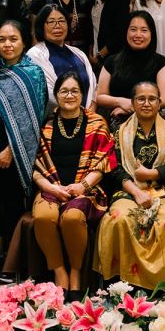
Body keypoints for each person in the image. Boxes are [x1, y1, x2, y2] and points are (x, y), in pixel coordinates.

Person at [95, 81, 165, 289]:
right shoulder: (119, 132)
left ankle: (163, 286)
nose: (146, 103)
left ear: (159, 103)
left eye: (152, 99)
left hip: (164, 191)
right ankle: (124, 286)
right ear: (132, 102)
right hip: (129, 191)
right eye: (141, 99)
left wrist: (152, 174)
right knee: (118, 220)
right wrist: (137, 192)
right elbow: (115, 168)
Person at [31, 72, 116, 297]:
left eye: (75, 91)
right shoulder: (46, 124)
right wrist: (50, 188)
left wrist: (82, 186)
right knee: (42, 217)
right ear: (56, 95)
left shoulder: (97, 123)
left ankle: (76, 272)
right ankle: (59, 271)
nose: (69, 95)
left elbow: (104, 161)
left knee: (71, 217)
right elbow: (34, 166)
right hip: (51, 186)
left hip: (85, 189)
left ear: (83, 94)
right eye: (64, 91)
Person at [0, 20, 46, 282]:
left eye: (13, 39)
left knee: (13, 205)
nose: (7, 44)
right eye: (2, 39)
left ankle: (13, 259)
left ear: (24, 42)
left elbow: (34, 120)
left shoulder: (33, 74)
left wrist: (11, 151)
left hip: (16, 155)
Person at [96, 10, 165, 123]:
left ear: (152, 34)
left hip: (150, 124)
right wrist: (122, 102)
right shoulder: (111, 61)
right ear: (126, 32)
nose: (138, 35)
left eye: (144, 30)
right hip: (115, 123)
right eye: (133, 29)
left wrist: (133, 108)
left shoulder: (162, 64)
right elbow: (100, 96)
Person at [27, 5, 98, 112]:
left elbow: (93, 87)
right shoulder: (35, 55)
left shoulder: (78, 53)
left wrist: (89, 113)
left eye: (62, 21)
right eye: (51, 22)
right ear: (41, 26)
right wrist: (74, 113)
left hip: (88, 118)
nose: (57, 26)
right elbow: (45, 93)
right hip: (56, 119)